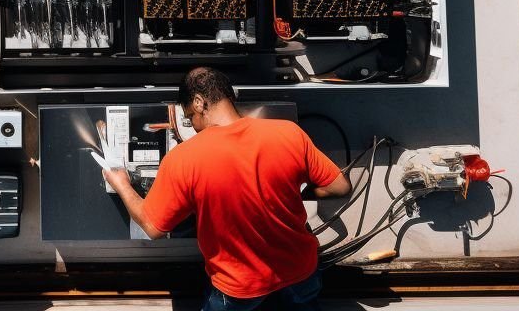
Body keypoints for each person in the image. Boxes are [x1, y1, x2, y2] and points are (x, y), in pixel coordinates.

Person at [102, 67, 350, 311]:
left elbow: (152, 226)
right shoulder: (289, 133)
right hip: (301, 272)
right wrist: (297, 193)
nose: (193, 126)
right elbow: (339, 186)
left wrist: (122, 183)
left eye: (189, 118)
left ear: (199, 102)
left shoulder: (184, 158)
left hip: (239, 285)